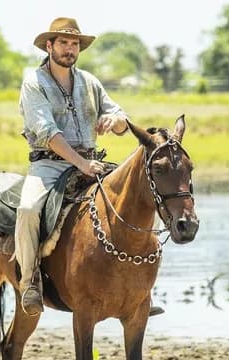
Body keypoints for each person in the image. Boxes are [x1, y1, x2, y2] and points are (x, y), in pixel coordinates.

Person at [16, 17, 165, 317]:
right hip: (50, 166)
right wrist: (81, 163)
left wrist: (117, 121)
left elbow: (118, 114)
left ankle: (141, 290)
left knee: (145, 199)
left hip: (93, 162)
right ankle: (30, 281)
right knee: (29, 209)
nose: (70, 49)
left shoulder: (89, 82)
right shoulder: (34, 82)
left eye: (74, 44)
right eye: (63, 43)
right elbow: (48, 133)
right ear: (49, 46)